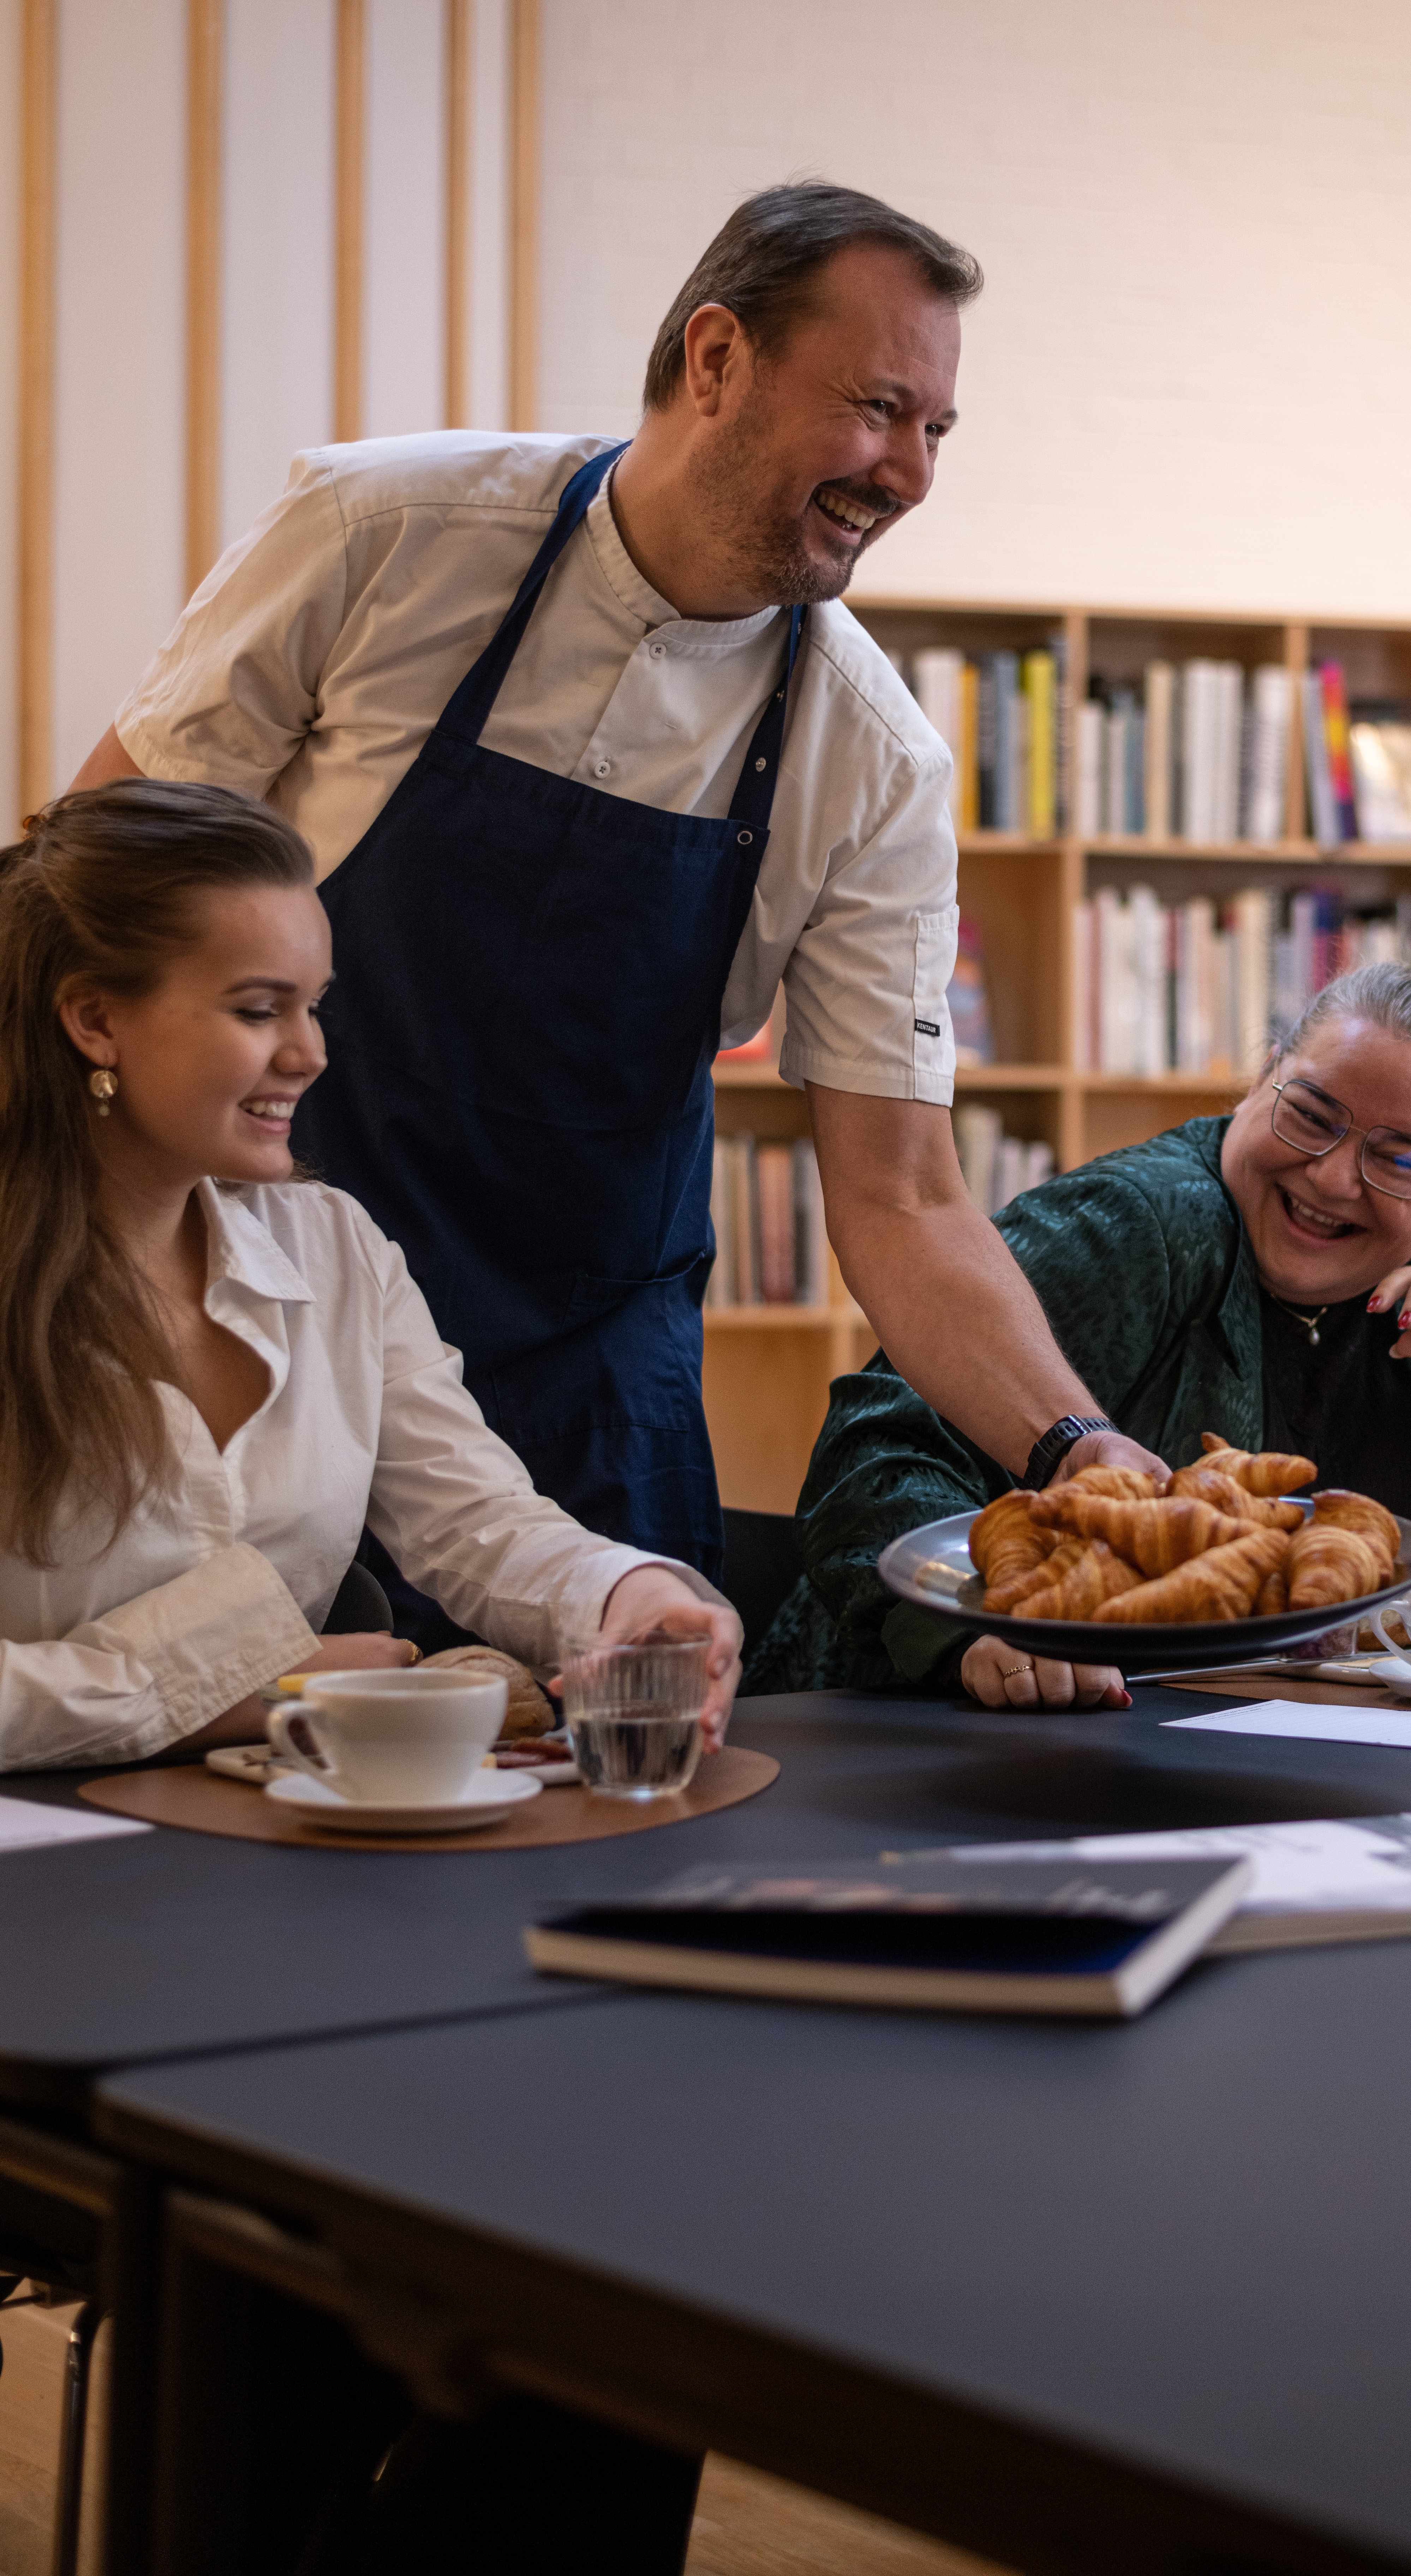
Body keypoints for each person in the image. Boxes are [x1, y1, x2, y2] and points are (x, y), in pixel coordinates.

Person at [68, 182, 1159, 1635]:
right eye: (878, 407)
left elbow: (900, 1196)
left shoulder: (872, 760)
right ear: (715, 362)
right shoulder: (379, 534)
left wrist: (1073, 1448)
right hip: (266, 1309)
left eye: (934, 431)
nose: (907, 472)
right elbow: (86, 885)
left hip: (586, 1383)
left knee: (607, 1783)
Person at [0, 781, 742, 1773]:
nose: (310, 1053)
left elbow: (477, 1521)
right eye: (259, 1009)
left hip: (286, 1852)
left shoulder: (335, 1248)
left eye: (315, 1006)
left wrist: (628, 1596)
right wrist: (234, 1688)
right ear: (95, 1020)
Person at [755, 962, 1411, 1705]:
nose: (1331, 1178)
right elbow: (873, 1447)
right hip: (916, 1739)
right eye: (1312, 1114)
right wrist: (967, 1639)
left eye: (1399, 1158)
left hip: (1283, 1776)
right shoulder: (1142, 1225)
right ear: (1263, 1079)